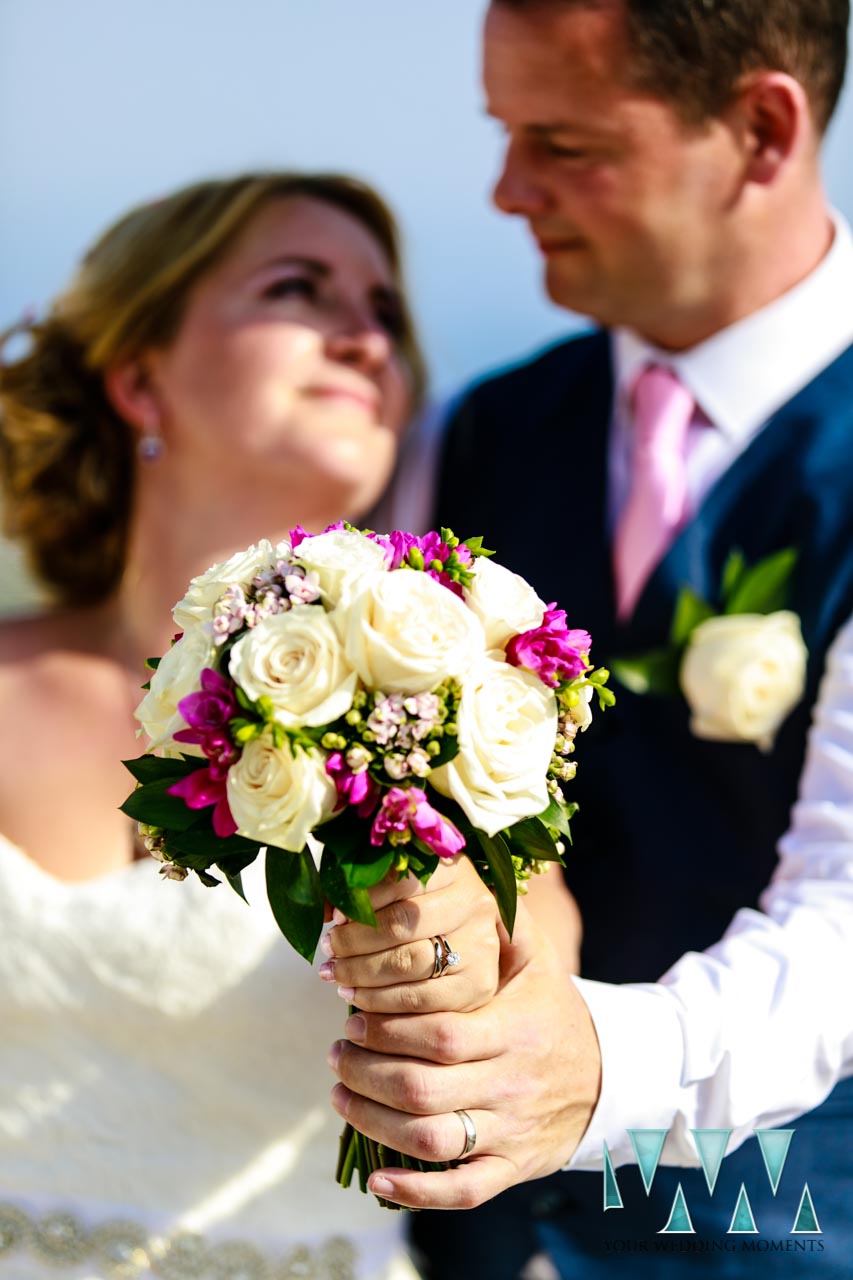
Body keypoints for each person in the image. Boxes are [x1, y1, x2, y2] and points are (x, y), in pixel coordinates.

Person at [326, 1, 853, 1275]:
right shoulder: (474, 432)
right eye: (505, 136)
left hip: (779, 1229)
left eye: (563, 144)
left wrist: (596, 1068)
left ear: (760, 129)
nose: (509, 191)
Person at [0, 170, 507, 1280]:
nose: (365, 340)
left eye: (386, 315)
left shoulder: (452, 733)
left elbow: (525, 1001)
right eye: (299, 288)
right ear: (139, 377)